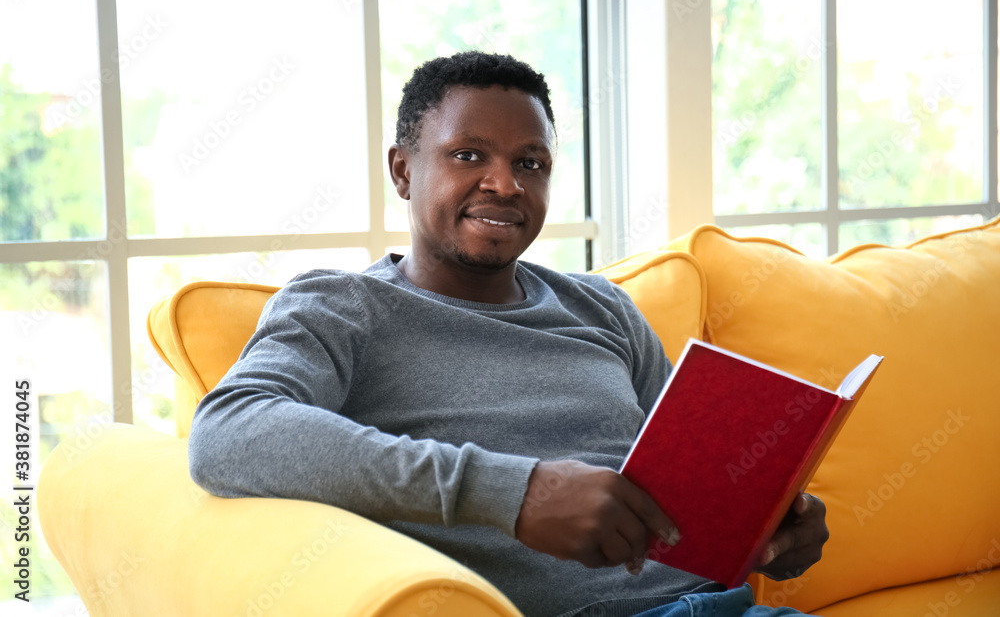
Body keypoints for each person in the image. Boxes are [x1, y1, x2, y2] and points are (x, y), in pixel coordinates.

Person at [188, 50, 829, 617]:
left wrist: (769, 530)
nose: (505, 184)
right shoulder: (343, 307)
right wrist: (513, 492)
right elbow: (229, 433)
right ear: (404, 171)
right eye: (468, 155)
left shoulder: (602, 308)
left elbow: (695, 482)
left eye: (531, 162)